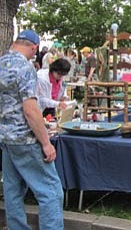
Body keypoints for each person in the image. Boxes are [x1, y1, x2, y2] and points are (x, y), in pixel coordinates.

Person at [0, 30, 64, 229]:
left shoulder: (1, 63)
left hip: (6, 139)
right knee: (51, 191)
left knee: (12, 191)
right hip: (26, 139)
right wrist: (46, 143)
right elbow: (30, 110)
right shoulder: (26, 68)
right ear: (34, 48)